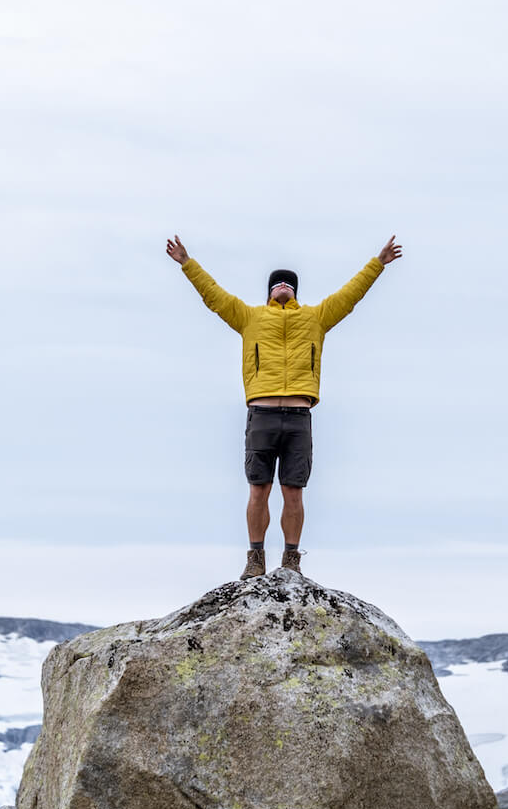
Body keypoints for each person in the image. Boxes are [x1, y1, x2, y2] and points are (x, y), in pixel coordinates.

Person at [166, 234, 403, 578]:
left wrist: (377, 263)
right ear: (268, 292)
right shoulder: (249, 317)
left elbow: (351, 295)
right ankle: (255, 559)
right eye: (276, 283)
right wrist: (187, 263)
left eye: (289, 283)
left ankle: (291, 561)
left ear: (295, 292)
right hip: (261, 413)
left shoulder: (316, 318)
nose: (283, 286)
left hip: (298, 416)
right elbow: (214, 297)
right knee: (258, 490)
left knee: (294, 492)